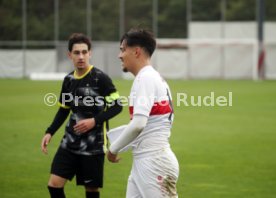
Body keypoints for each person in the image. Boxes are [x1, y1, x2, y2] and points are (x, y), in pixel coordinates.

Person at [41, 33, 122, 198]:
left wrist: (94, 121)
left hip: (94, 145)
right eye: (77, 53)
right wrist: (50, 131)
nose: (81, 56)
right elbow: (64, 109)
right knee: (54, 185)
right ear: (69, 55)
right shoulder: (68, 80)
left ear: (90, 53)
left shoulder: (101, 79)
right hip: (69, 142)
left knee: (91, 191)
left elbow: (117, 106)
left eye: (84, 52)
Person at [107, 28, 179, 197]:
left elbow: (139, 124)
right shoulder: (150, 77)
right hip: (146, 160)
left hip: (154, 163)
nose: (120, 55)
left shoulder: (145, 78)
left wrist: (113, 149)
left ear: (136, 51)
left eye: (123, 50)